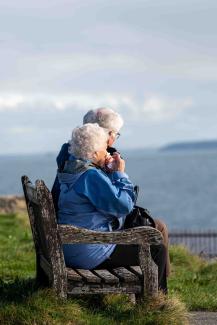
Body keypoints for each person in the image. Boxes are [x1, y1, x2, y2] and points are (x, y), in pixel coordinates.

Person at [57, 123, 167, 293]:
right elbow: (123, 207)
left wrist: (106, 173)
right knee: (156, 248)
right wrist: (120, 173)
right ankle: (155, 303)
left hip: (70, 247)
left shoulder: (71, 168)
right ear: (93, 153)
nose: (107, 151)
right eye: (103, 148)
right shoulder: (90, 176)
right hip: (89, 252)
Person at [51, 107, 123, 211]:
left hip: (60, 210)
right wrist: (119, 174)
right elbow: (117, 204)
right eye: (116, 134)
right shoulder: (92, 162)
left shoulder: (68, 151)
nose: (115, 138)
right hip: (83, 220)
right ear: (107, 134)